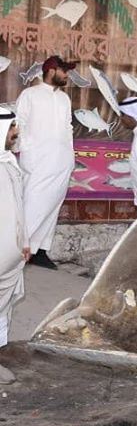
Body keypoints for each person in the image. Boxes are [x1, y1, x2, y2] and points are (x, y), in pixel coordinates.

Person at [15, 55, 76, 270]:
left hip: (61, 161)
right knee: (33, 205)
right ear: (51, 71)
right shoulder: (30, 95)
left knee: (52, 206)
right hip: (37, 160)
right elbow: (19, 124)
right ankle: (17, 250)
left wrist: (70, 156)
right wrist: (26, 152)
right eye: (64, 71)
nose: (67, 75)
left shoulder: (64, 99)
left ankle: (40, 251)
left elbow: (68, 128)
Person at [0, 110, 29, 381]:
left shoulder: (9, 162)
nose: (15, 134)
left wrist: (26, 241)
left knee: (3, 307)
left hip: (11, 255)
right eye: (11, 129)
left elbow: (19, 208)